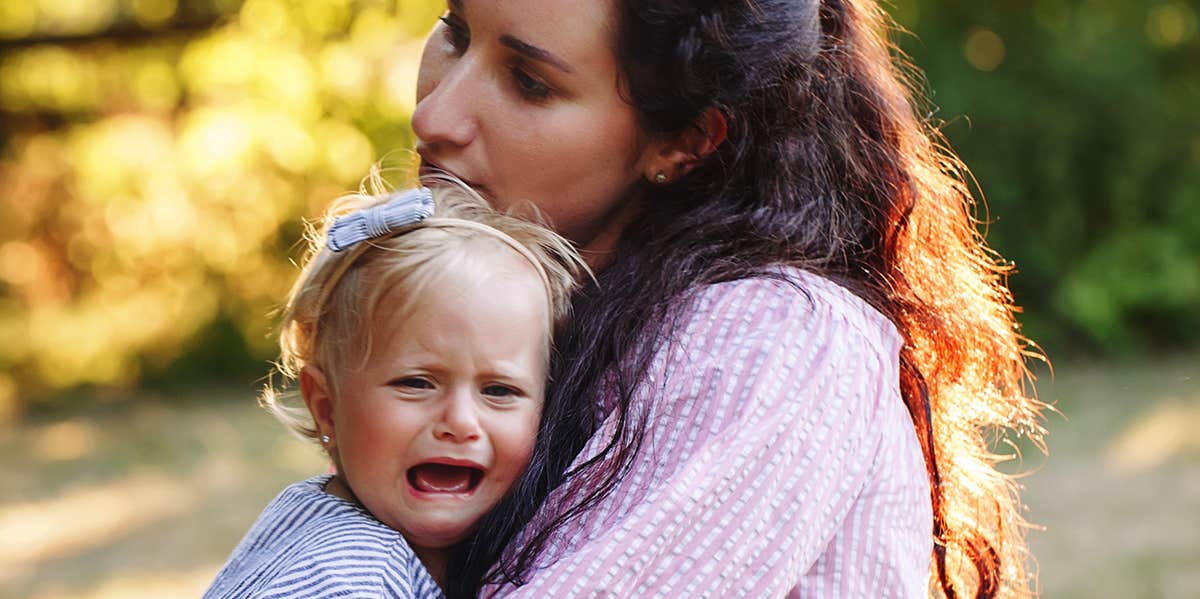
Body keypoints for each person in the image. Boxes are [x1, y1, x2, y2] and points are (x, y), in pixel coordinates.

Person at [411, 1, 1046, 598]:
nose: (434, 116)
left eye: (529, 82)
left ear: (683, 140)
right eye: (457, 33)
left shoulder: (777, 338)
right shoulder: (542, 312)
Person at [204, 181, 585, 598]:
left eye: (499, 391)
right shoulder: (344, 578)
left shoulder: (315, 515)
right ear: (326, 406)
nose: (459, 422)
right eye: (416, 383)